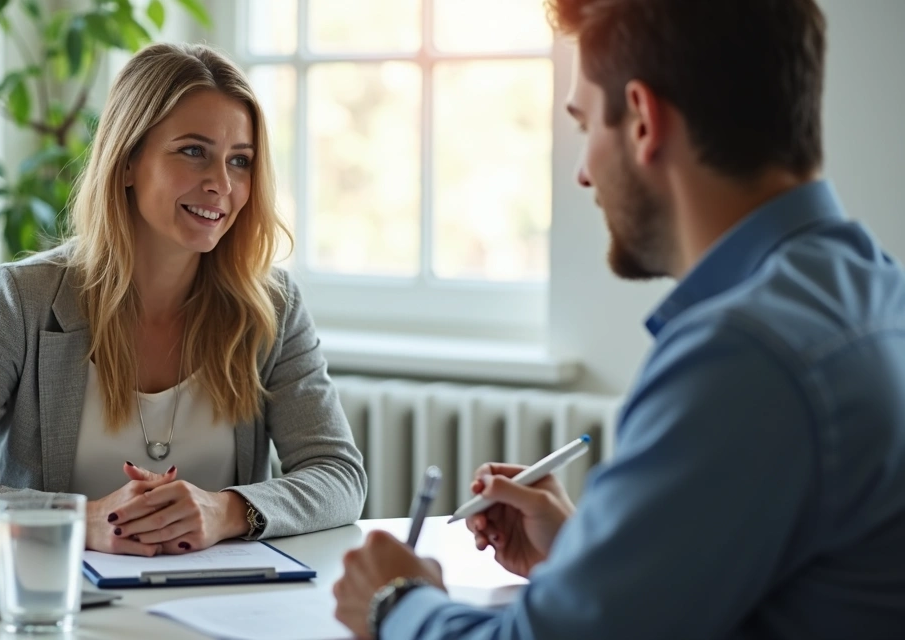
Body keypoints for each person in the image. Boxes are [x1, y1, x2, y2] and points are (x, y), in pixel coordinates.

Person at [333, 0, 905, 637]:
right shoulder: (876, 295)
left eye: (583, 125)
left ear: (641, 120)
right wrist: (590, 557)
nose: (582, 173)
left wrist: (396, 602)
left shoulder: (747, 354)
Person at [0, 43, 366, 556]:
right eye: (193, 151)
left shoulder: (271, 308)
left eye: (240, 161)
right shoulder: (25, 299)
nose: (221, 184)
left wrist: (225, 511)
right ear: (128, 161)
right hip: (60, 608)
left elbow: (338, 475)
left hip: (223, 608)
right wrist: (78, 520)